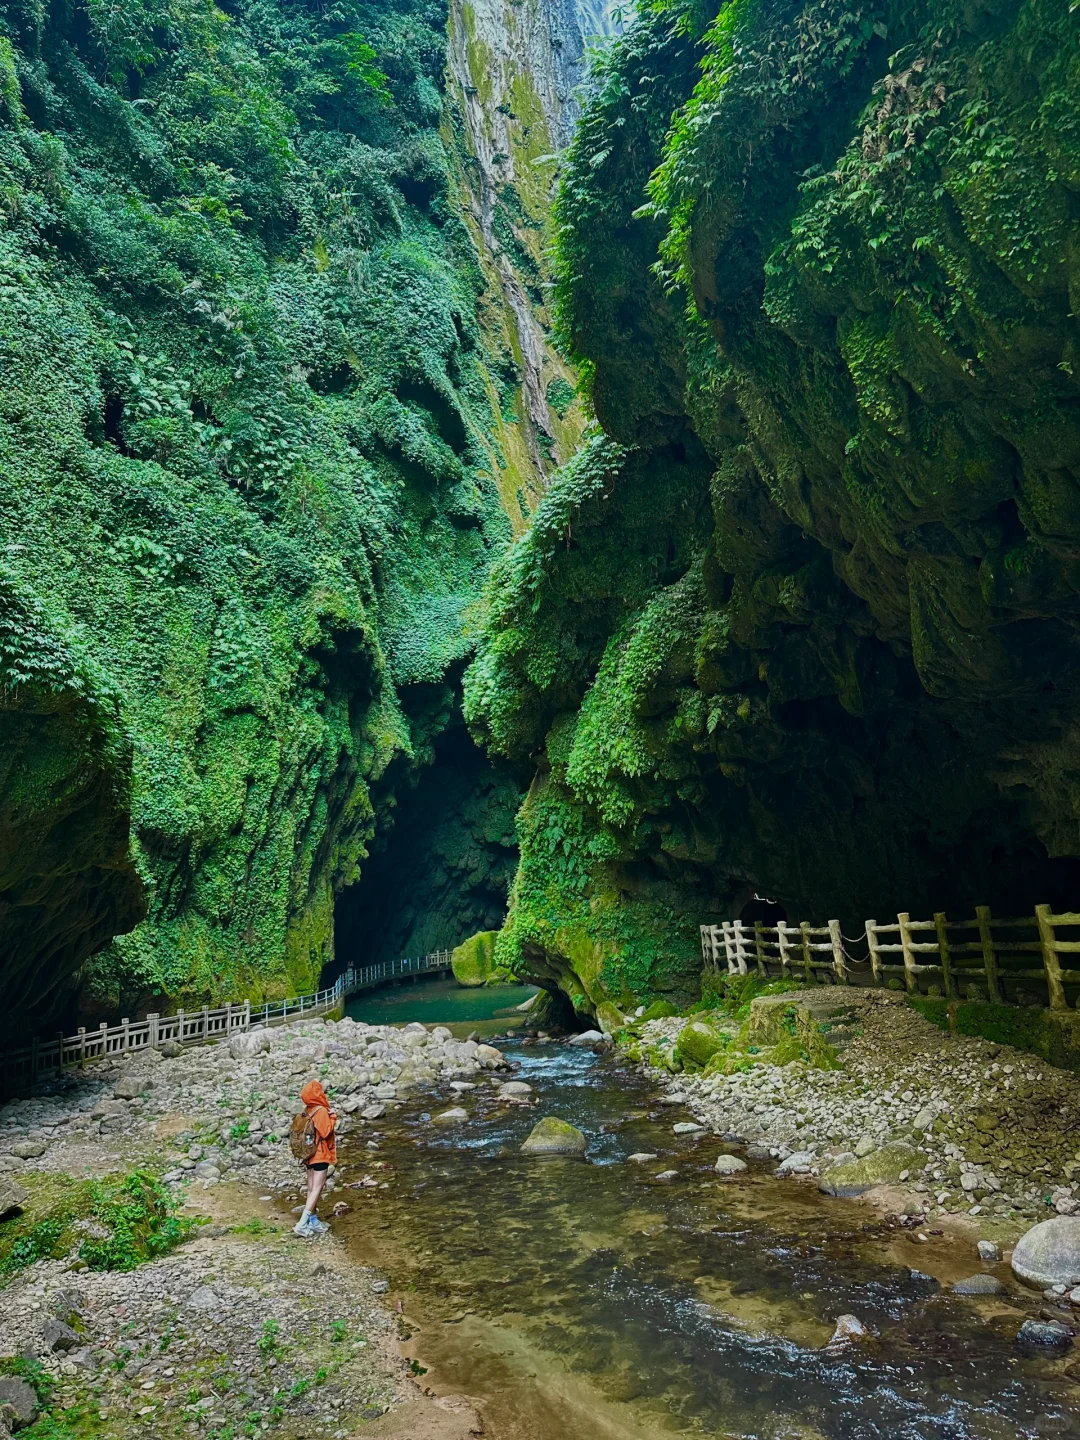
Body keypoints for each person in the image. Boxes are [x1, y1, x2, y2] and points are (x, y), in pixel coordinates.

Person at [293, 1079, 337, 1238]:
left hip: (308, 1155)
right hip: (319, 1154)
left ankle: (313, 1220)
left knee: (311, 1188)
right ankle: (302, 1223)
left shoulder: (308, 1109)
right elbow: (325, 1132)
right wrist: (333, 1117)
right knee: (317, 1188)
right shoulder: (321, 1111)